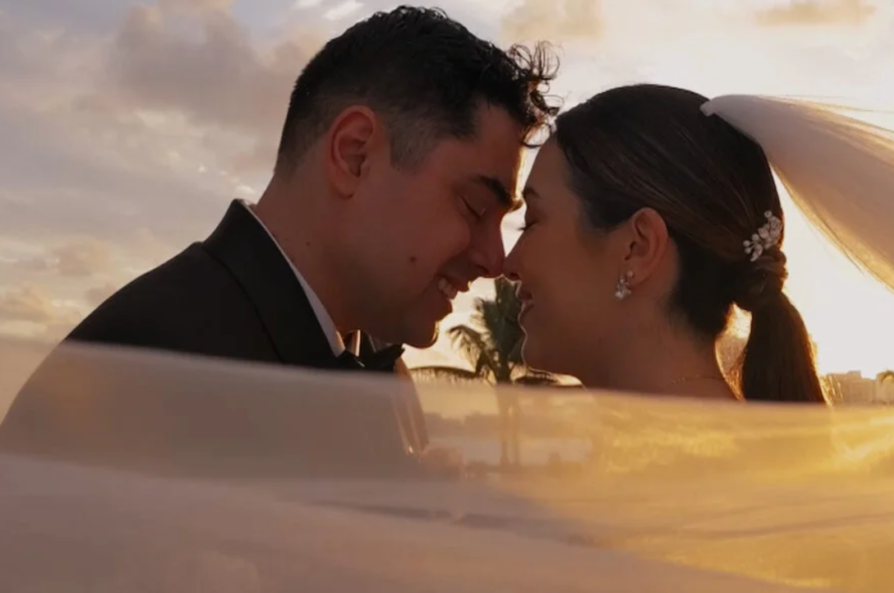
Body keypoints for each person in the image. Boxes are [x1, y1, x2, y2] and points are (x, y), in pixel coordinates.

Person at [0, 7, 559, 474]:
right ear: (354, 154)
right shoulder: (140, 372)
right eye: (473, 207)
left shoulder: (380, 370)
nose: (494, 259)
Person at [505, 84, 825, 403]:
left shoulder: (680, 450)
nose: (507, 265)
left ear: (637, 248)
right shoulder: (731, 445)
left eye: (531, 221)